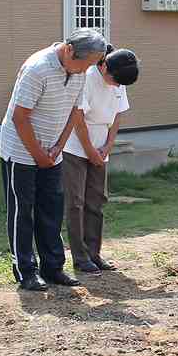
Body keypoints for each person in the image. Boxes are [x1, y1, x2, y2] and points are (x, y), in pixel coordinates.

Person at [0, 28, 107, 291]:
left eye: (91, 65)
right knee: (22, 212)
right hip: (22, 152)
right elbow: (20, 117)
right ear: (69, 50)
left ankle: (53, 267)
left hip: (52, 153)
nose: (85, 71)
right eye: (84, 64)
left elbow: (74, 112)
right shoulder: (37, 69)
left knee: (51, 210)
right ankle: (25, 271)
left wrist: (58, 147)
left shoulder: (80, 72)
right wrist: (38, 155)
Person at [62, 46, 140, 275]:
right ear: (103, 66)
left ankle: (94, 253)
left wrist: (107, 146)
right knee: (76, 202)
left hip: (101, 147)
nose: (116, 85)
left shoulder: (119, 78)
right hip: (76, 146)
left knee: (96, 199)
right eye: (113, 80)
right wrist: (89, 150)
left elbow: (117, 116)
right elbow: (78, 118)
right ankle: (79, 257)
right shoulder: (86, 78)